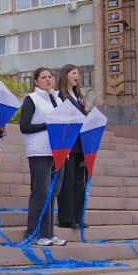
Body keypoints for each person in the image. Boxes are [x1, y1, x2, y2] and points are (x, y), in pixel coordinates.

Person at [19, 67, 67, 247]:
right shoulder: (32, 99)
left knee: (53, 192)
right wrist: (48, 124)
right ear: (36, 81)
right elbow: (24, 126)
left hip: (59, 150)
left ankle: (49, 232)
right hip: (40, 150)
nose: (47, 80)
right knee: (41, 192)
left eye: (50, 76)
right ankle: (35, 232)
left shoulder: (57, 99)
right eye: (43, 77)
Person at [57, 64, 88, 229]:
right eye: (74, 73)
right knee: (67, 181)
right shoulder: (60, 95)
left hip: (80, 144)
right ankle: (66, 218)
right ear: (65, 75)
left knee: (79, 182)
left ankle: (78, 216)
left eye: (78, 74)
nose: (77, 76)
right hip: (67, 144)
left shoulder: (79, 97)